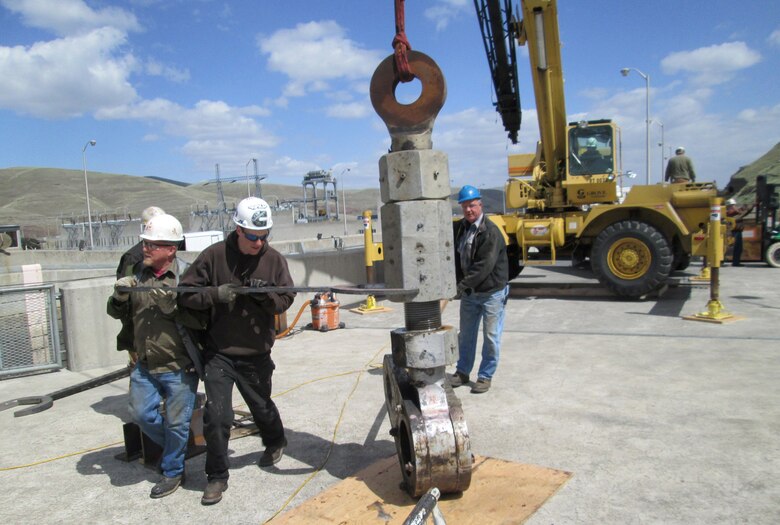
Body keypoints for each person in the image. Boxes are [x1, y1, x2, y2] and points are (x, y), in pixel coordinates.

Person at [178, 197, 296, 506]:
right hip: (220, 353)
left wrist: (265, 297)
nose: (260, 242)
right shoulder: (214, 256)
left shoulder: (274, 260)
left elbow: (286, 298)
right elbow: (184, 293)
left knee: (262, 407)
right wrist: (213, 295)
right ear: (238, 229)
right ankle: (217, 476)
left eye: (265, 236)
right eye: (254, 236)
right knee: (217, 416)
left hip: (256, 352)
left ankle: (274, 440)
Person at [106, 213, 204, 499]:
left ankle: (173, 470)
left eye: (152, 244)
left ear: (171, 249)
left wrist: (173, 307)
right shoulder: (136, 273)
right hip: (146, 363)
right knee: (141, 414)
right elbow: (116, 313)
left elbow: (202, 320)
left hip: (179, 364)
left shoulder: (188, 276)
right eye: (145, 243)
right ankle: (178, 449)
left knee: (177, 422)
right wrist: (120, 297)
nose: (145, 249)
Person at [449, 185, 509, 394]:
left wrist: (459, 287)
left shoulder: (490, 232)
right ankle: (463, 371)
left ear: (480, 205)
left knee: (491, 336)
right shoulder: (460, 229)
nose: (468, 210)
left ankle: (485, 376)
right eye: (465, 206)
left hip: (491, 293)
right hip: (470, 294)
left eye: (472, 205)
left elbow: (483, 267)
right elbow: (454, 258)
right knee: (466, 335)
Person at [115, 206, 166, 364]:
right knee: (140, 369)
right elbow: (126, 298)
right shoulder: (134, 258)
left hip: (162, 331)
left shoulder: (165, 251)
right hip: (139, 328)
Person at [726, 198, 752, 266]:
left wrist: (751, 206)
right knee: (735, 247)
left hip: (736, 231)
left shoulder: (733, 212)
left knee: (738, 248)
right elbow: (743, 212)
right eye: (733, 205)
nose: (734, 206)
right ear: (729, 206)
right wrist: (753, 205)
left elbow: (743, 211)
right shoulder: (730, 213)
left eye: (734, 205)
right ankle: (734, 262)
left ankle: (735, 262)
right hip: (734, 232)